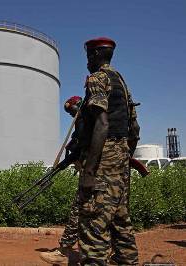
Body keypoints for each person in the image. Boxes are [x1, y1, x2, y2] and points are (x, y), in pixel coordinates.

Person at [77, 37, 139, 265]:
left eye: (87, 57)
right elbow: (134, 126)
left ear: (94, 56)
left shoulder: (97, 78)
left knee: (93, 220)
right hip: (120, 159)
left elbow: (102, 123)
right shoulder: (121, 82)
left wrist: (90, 171)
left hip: (104, 158)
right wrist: (124, 156)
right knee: (120, 219)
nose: (86, 62)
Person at [40, 96, 83, 265]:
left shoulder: (84, 122)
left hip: (94, 175)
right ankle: (120, 255)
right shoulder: (86, 122)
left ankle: (64, 252)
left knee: (78, 211)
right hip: (102, 174)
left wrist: (70, 158)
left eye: (72, 111)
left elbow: (82, 147)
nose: (71, 115)